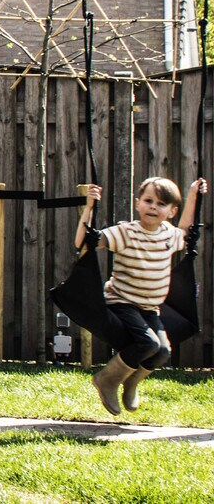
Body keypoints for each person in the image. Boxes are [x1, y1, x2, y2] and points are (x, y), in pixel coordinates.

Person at [77, 176, 204, 415]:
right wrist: (90, 207)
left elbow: (186, 230)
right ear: (138, 204)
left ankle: (131, 382)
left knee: (163, 351)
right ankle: (107, 379)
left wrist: (194, 194)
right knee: (148, 343)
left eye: (161, 204)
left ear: (171, 211)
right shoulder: (126, 232)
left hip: (150, 307)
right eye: (148, 200)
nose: (153, 207)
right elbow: (84, 243)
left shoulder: (169, 235)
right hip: (121, 301)